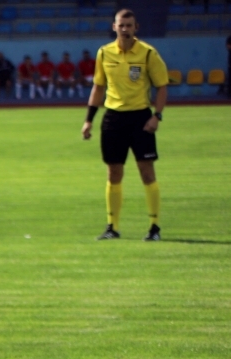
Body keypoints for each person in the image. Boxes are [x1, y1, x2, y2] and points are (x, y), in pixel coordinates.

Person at [82, 8, 168, 240]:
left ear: (136, 28)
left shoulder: (148, 53)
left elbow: (162, 86)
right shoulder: (104, 53)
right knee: (113, 172)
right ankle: (112, 227)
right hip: (113, 118)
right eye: (121, 25)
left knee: (146, 171)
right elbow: (98, 87)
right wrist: (88, 120)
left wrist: (156, 116)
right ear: (114, 27)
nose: (125, 29)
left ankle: (154, 227)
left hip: (140, 118)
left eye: (129, 25)